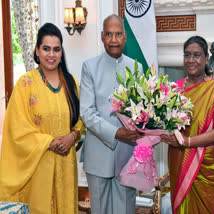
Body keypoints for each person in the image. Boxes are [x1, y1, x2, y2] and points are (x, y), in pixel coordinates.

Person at [0, 23, 84, 213]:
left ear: (62, 52)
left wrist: (73, 136)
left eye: (56, 49)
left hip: (66, 164)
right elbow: (16, 128)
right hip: (38, 166)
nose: (51, 55)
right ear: (37, 50)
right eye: (46, 49)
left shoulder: (71, 83)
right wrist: (48, 142)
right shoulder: (25, 84)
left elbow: (80, 120)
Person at [160, 36, 214, 214]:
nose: (191, 60)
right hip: (179, 159)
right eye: (187, 55)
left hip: (208, 165)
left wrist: (187, 142)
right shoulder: (174, 89)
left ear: (206, 58)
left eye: (197, 55)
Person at [79, 14, 143, 214]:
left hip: (128, 157)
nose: (113, 39)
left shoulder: (136, 67)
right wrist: (117, 133)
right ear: (101, 36)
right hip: (99, 156)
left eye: (117, 34)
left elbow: (142, 110)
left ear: (125, 37)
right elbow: (87, 113)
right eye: (109, 34)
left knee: (126, 209)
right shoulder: (90, 67)